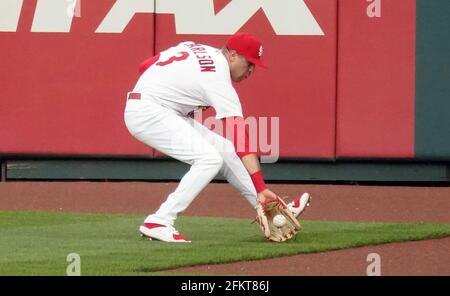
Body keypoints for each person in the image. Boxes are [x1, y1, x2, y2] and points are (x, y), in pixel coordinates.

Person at [124, 32, 311, 243]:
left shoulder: (196, 47)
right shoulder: (218, 78)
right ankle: (159, 220)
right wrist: (260, 185)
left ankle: (271, 210)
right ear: (232, 56)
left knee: (224, 149)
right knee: (209, 159)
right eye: (249, 62)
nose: (251, 69)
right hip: (148, 112)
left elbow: (144, 65)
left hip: (156, 107)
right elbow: (240, 137)